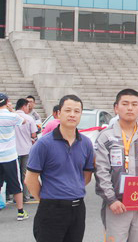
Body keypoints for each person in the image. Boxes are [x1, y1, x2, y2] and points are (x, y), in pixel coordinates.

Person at [94, 89, 138, 242]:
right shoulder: (106, 137)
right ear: (116, 108)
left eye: (134, 104)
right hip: (116, 205)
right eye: (125, 104)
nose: (130, 108)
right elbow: (101, 171)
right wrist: (111, 200)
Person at [27, 95, 94, 242]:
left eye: (77, 111)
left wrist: (72, 187)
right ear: (58, 113)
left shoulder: (86, 143)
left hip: (77, 209)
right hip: (51, 209)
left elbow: (87, 175)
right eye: (68, 110)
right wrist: (46, 199)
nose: (72, 115)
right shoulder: (43, 144)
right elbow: (30, 179)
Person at [0, 93, 29, 224]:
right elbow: (23, 121)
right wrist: (11, 109)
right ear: (7, 101)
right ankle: (20, 212)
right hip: (9, 156)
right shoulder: (11, 116)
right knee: (16, 184)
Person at [14, 98, 38, 202]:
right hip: (26, 149)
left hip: (13, 150)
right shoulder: (29, 118)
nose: (28, 108)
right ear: (24, 106)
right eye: (28, 106)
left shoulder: (12, 117)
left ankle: (15, 196)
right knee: (25, 174)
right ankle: (25, 196)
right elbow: (34, 134)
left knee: (15, 174)